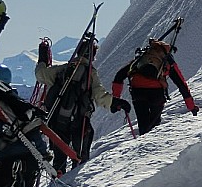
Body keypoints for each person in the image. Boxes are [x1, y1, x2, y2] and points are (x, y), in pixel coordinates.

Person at [34, 37, 131, 174]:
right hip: (79, 121)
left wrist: (43, 58)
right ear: (92, 56)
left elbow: (40, 75)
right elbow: (100, 95)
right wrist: (116, 103)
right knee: (80, 154)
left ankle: (58, 178)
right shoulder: (90, 73)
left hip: (57, 121)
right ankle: (76, 179)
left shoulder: (63, 69)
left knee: (59, 153)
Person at [112, 38, 198, 135]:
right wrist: (191, 107)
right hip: (156, 94)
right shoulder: (167, 62)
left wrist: (116, 99)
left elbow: (119, 76)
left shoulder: (141, 59)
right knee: (154, 125)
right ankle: (151, 144)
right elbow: (181, 85)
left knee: (143, 123)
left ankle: (143, 143)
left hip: (137, 92)